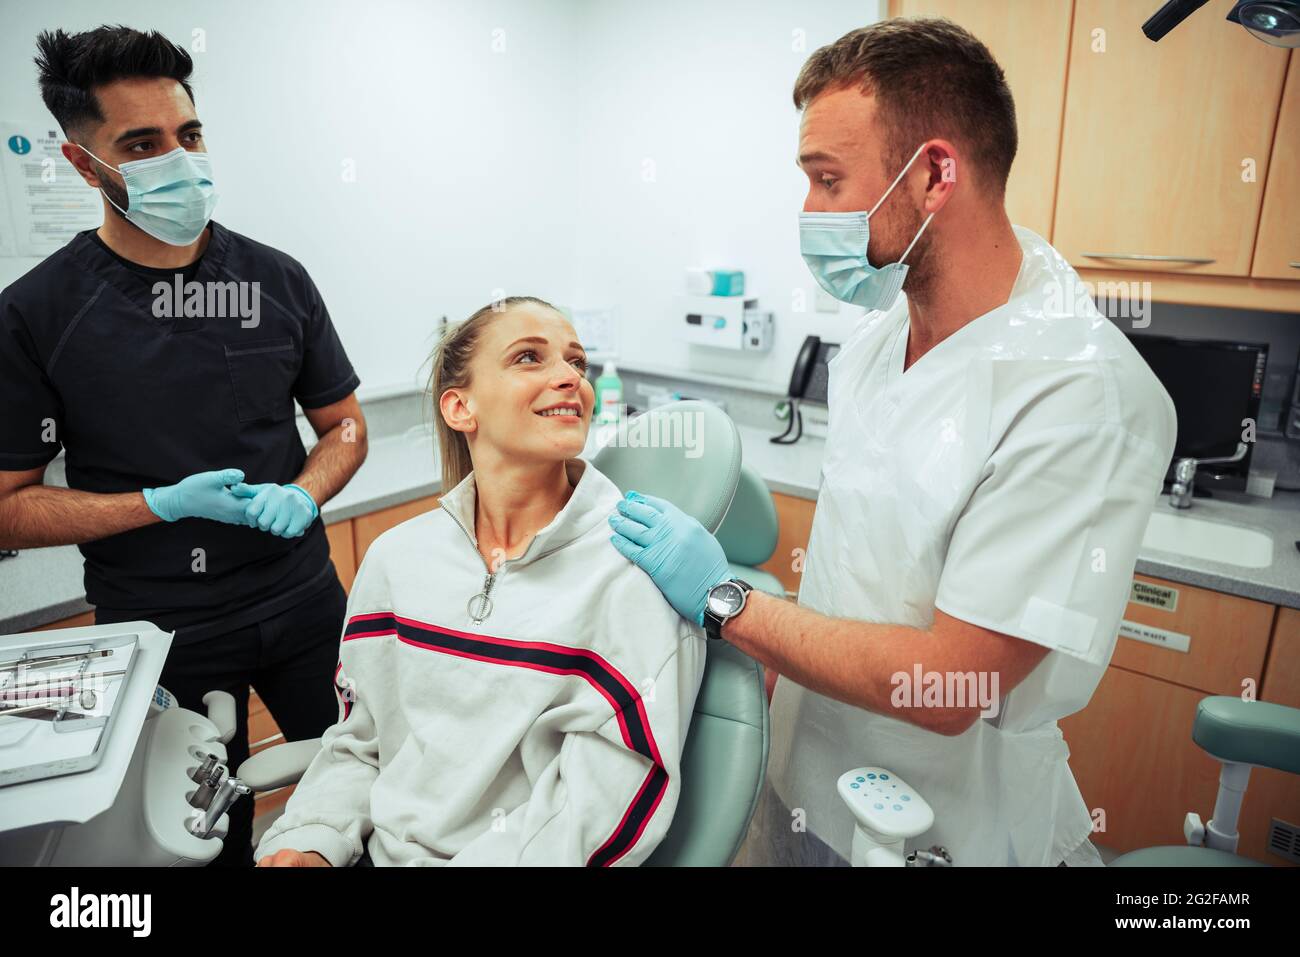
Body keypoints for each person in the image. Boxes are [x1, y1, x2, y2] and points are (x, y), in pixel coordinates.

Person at [608, 18, 1177, 866]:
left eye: (828, 180)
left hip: (945, 827)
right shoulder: (877, 339)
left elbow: (959, 681)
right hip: (803, 777)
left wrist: (732, 606)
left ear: (936, 174)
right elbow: (855, 572)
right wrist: (763, 666)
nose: (809, 213)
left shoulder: (1080, 391)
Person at [0, 26, 367, 867]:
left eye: (188, 135)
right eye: (143, 144)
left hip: (306, 601)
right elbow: (7, 507)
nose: (179, 159)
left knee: (364, 785)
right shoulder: (35, 313)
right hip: (162, 625)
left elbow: (345, 425)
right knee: (202, 838)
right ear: (84, 163)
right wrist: (155, 506)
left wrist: (307, 491)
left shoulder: (277, 279)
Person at [254, 297, 705, 867]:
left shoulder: (629, 578)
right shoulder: (398, 559)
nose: (570, 379)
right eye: (528, 358)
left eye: (576, 363)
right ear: (460, 407)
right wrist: (311, 838)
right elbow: (362, 742)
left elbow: (596, 813)